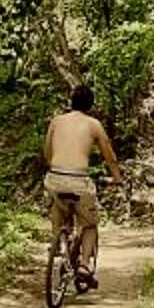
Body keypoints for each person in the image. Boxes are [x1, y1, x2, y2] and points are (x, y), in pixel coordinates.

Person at [42, 83, 125, 290]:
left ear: (71, 102)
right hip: (79, 180)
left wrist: (56, 168)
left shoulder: (56, 121)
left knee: (58, 210)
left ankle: (59, 245)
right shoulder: (94, 125)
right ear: (91, 104)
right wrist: (117, 179)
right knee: (89, 224)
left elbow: (46, 152)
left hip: (54, 177)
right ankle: (85, 265)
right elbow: (110, 157)